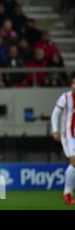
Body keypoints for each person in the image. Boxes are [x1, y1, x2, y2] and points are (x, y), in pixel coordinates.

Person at [51, 76, 75, 205]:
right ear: (71, 85)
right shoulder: (65, 97)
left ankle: (68, 193)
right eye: (74, 83)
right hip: (68, 135)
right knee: (74, 161)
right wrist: (55, 130)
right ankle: (67, 194)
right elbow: (55, 113)